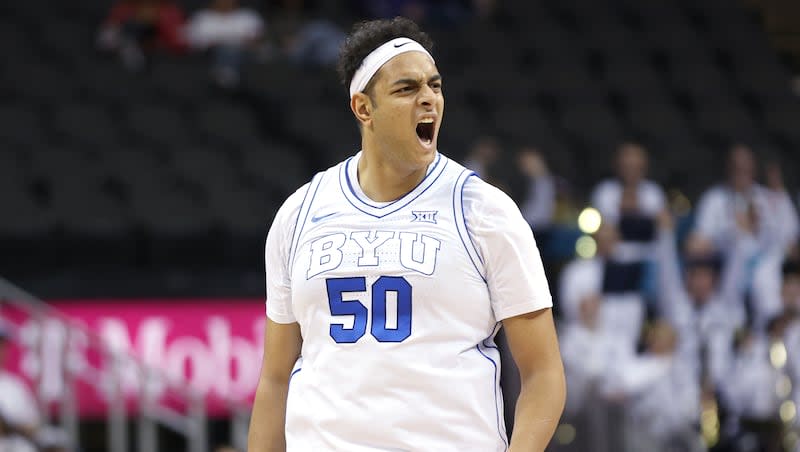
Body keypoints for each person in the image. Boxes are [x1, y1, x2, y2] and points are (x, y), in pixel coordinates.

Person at [248, 17, 565, 451]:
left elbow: (543, 373)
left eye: (434, 86)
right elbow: (274, 378)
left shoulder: (484, 211)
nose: (429, 100)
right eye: (407, 89)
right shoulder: (299, 213)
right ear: (363, 109)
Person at [185, 0, 265, 87]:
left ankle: (227, 76)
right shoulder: (201, 17)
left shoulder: (248, 16)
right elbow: (193, 42)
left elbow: (256, 40)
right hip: (210, 56)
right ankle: (225, 76)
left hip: (244, 56)